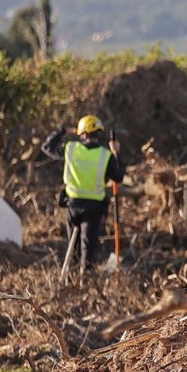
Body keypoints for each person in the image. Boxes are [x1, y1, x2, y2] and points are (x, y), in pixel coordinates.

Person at [41, 114, 126, 269]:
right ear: (98, 134)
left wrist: (63, 130)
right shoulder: (105, 155)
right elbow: (118, 176)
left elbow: (47, 147)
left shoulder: (71, 149)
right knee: (88, 248)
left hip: (72, 205)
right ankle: (86, 280)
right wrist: (116, 153)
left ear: (82, 134)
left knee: (73, 248)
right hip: (94, 208)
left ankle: (72, 276)